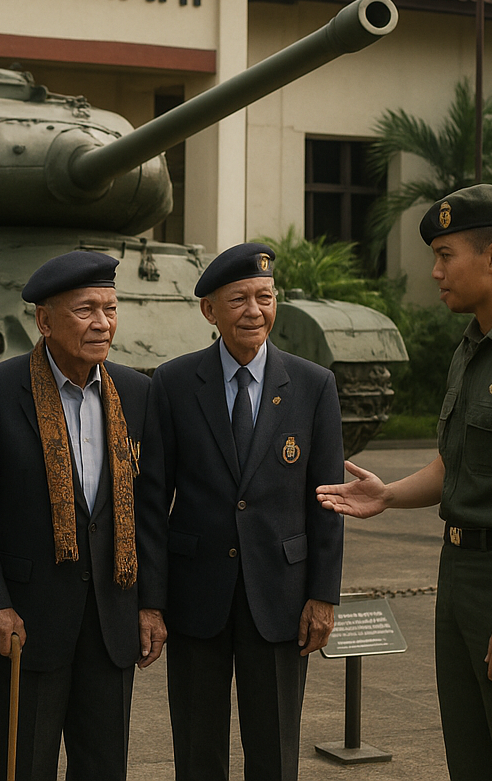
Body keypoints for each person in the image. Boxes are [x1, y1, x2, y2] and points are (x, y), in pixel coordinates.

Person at [317, 183, 492, 781]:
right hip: (460, 575)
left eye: (446, 255)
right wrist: (390, 494)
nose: (436, 271)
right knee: (471, 752)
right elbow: (455, 463)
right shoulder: (473, 349)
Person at [0, 250, 167, 781]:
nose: (102, 322)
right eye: (85, 310)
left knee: (104, 768)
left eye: (110, 308)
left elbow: (149, 511)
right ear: (45, 321)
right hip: (25, 625)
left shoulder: (138, 394)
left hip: (110, 622)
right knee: (20, 766)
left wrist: (149, 606)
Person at [147, 242, 344, 781]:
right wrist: (152, 602)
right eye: (238, 300)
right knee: (196, 746)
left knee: (275, 750)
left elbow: (327, 502)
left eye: (265, 297)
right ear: (210, 310)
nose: (254, 311)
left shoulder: (313, 385)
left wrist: (323, 596)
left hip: (280, 595)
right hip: (196, 596)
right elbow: (152, 500)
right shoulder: (173, 382)